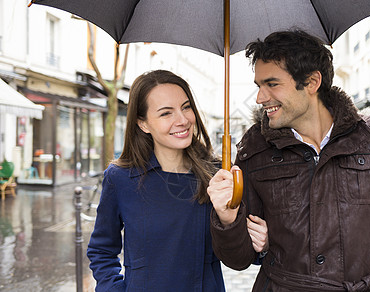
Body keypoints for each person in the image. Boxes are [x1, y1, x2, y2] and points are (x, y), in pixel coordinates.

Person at [207, 29, 370, 291]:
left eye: (271, 84)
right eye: (258, 86)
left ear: (311, 82)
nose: (260, 98)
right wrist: (228, 220)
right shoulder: (254, 150)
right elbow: (238, 259)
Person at [87, 70, 267, 292]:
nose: (182, 120)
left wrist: (255, 237)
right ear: (142, 123)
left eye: (186, 107)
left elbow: (250, 255)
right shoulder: (121, 178)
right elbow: (102, 251)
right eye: (166, 113)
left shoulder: (220, 177)